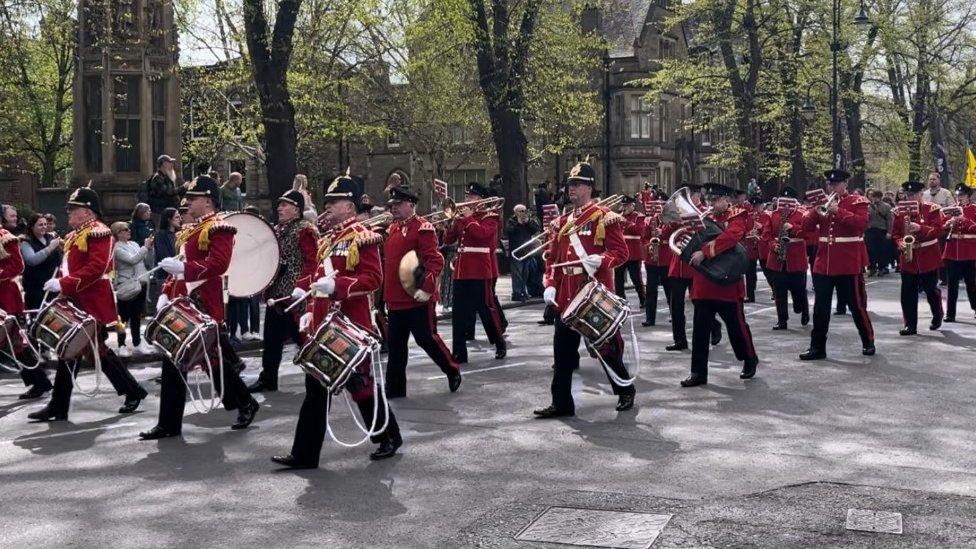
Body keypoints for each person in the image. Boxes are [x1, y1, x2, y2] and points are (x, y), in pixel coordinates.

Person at [272, 172, 402, 468]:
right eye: (328, 200)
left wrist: (339, 286)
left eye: (336, 201)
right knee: (316, 390)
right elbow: (317, 276)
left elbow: (372, 279)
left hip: (350, 325)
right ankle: (305, 454)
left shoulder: (361, 236)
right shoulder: (328, 240)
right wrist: (302, 295)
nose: (329, 205)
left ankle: (388, 435)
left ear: (351, 206)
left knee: (362, 387)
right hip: (323, 325)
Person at [138, 175, 259, 439]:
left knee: (210, 360)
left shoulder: (219, 227)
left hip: (204, 300)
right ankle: (169, 423)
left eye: (192, 199)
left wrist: (183, 269)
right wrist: (167, 292)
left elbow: (219, 265)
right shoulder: (190, 230)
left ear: (207, 201)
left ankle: (244, 402)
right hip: (183, 300)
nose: (187, 203)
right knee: (175, 358)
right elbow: (178, 266)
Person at [27, 185, 148, 421]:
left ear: (88, 211)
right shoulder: (76, 234)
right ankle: (61, 405)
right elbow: (71, 266)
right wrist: (61, 283)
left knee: (89, 350)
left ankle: (61, 405)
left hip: (91, 300)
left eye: (74, 208)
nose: (69, 212)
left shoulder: (98, 232)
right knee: (76, 351)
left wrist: (65, 284)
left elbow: (96, 268)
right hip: (76, 298)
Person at [534, 161, 635, 418]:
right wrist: (549, 285)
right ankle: (562, 403)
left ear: (589, 188)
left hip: (591, 292)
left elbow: (621, 253)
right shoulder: (562, 222)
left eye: (577, 185)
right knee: (563, 353)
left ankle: (625, 388)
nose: (572, 189)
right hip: (566, 294)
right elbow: (553, 259)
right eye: (570, 185)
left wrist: (602, 260)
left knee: (605, 348)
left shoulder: (603, 217)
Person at [383, 184, 461, 398]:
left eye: (398, 205)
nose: (393, 209)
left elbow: (435, 260)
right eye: (392, 205)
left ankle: (451, 368)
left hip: (417, 297)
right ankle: (394, 388)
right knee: (396, 346)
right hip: (396, 298)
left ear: (411, 204)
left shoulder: (423, 228)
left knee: (426, 339)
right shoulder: (393, 228)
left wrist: (426, 288)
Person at [680, 183, 759, 387]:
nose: (712, 204)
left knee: (737, 327)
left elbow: (731, 237)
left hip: (727, 284)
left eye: (716, 200)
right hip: (705, 283)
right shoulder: (704, 217)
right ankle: (698, 373)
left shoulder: (737, 215)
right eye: (710, 200)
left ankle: (749, 358)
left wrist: (704, 252)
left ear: (727, 200)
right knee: (700, 330)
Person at [799, 170, 875, 361]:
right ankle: (817, 347)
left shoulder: (858, 201)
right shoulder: (822, 203)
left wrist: (838, 211)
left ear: (844, 184)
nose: (831, 188)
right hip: (824, 263)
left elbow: (861, 224)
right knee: (820, 309)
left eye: (835, 184)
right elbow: (805, 227)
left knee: (856, 306)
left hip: (848, 263)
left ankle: (868, 341)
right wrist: (814, 212)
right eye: (829, 184)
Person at [247, 191, 319, 393]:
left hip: (296, 297)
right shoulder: (276, 230)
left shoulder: (306, 230)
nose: (279, 208)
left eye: (284, 205)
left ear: (296, 209)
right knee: (271, 341)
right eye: (279, 205)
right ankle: (268, 378)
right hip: (276, 295)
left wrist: (302, 287)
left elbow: (313, 263)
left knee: (303, 340)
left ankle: (317, 378)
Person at [444, 183, 507, 362]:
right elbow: (449, 240)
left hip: (480, 269)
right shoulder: (462, 217)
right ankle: (459, 352)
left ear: (480, 199)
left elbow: (483, 236)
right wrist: (451, 223)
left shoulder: (491, 216)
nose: (467, 200)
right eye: (467, 196)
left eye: (471, 196)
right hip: (461, 270)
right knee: (459, 313)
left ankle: (499, 342)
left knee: (485, 309)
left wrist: (469, 218)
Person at [665, 185, 722, 351]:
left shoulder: (706, 213)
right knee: (675, 306)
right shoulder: (677, 216)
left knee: (699, 302)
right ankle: (680, 340)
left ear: (697, 196)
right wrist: (673, 223)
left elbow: (712, 234)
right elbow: (664, 235)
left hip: (695, 266)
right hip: (678, 266)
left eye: (694, 195)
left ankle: (714, 325)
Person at [1, 222, 53, 400]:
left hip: (6, 297)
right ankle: (40, 383)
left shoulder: (6, 238)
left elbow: (17, 266)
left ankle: (40, 382)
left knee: (16, 344)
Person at [891, 181, 944, 335]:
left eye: (914, 194)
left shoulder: (931, 209)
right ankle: (910, 325)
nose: (910, 197)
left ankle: (937, 314)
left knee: (930, 290)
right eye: (908, 195)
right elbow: (895, 234)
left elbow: (938, 230)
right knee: (907, 292)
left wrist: (921, 228)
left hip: (928, 256)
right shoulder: (898, 212)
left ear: (921, 194)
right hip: (909, 258)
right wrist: (900, 243)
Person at [762, 188, 810, 330]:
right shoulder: (773, 215)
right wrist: (773, 245)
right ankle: (782, 320)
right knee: (779, 291)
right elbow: (766, 235)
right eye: (783, 198)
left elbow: (808, 234)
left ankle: (803, 309)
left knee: (798, 289)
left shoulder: (802, 214)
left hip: (795, 257)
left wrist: (793, 227)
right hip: (777, 259)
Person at [111, 222, 154, 356]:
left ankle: (137, 342)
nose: (128, 231)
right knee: (122, 318)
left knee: (136, 316)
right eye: (125, 229)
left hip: (140, 283)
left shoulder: (134, 244)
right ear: (118, 233)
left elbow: (144, 259)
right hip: (126, 285)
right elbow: (133, 260)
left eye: (129, 228)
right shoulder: (117, 248)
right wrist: (145, 247)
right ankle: (121, 344)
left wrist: (149, 249)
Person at [943, 184, 976, 321]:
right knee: (952, 284)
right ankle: (950, 313)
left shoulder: (974, 209)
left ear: (968, 197)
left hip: (969, 251)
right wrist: (948, 223)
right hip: (952, 251)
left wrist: (965, 221)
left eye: (961, 196)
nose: (959, 198)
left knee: (972, 283)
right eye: (957, 196)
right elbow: (942, 226)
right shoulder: (952, 210)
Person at [641, 192, 672, 326]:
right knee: (651, 290)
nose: (661, 207)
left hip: (666, 259)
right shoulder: (650, 221)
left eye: (663, 204)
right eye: (658, 204)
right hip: (652, 260)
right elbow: (644, 237)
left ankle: (674, 314)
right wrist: (649, 245)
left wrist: (663, 233)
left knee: (669, 290)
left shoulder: (672, 220)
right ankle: (650, 318)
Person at [19, 213, 62, 310]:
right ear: (32, 227)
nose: (44, 227)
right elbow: (32, 260)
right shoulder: (26, 242)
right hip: (35, 288)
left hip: (52, 286)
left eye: (45, 224)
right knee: (37, 316)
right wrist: (50, 248)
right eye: (40, 225)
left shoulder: (50, 238)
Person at [614, 195, 646, 308]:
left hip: (633, 253)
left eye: (627, 205)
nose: (624, 208)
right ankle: (621, 301)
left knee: (636, 278)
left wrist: (626, 222)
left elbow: (639, 231)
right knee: (618, 279)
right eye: (623, 205)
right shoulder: (618, 216)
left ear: (633, 205)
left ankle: (643, 299)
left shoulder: (639, 217)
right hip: (620, 253)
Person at [150, 207, 181, 313]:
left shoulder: (178, 234)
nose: (179, 219)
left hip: (177, 274)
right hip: (164, 276)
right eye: (177, 217)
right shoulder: (160, 235)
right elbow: (164, 256)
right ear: (169, 219)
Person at [506, 204, 540, 302]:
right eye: (520, 211)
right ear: (515, 212)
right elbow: (509, 231)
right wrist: (518, 223)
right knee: (517, 273)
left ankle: (523, 292)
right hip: (516, 252)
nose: (522, 213)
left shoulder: (528, 220)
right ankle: (516, 293)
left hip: (526, 251)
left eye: (524, 211)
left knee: (525, 273)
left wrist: (528, 222)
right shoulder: (511, 221)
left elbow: (535, 230)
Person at [145, 155, 180, 227]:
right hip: (159, 212)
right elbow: (167, 192)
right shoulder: (157, 178)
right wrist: (182, 188)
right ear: (164, 164)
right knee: (159, 231)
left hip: (166, 212)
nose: (172, 165)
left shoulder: (167, 177)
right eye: (170, 162)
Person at [865, 190, 893, 276]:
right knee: (870, 249)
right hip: (870, 230)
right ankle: (872, 267)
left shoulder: (887, 206)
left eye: (877, 197)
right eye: (874, 197)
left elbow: (889, 220)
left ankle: (882, 267)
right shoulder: (868, 206)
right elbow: (865, 219)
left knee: (882, 250)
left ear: (880, 198)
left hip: (882, 230)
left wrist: (889, 232)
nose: (875, 199)